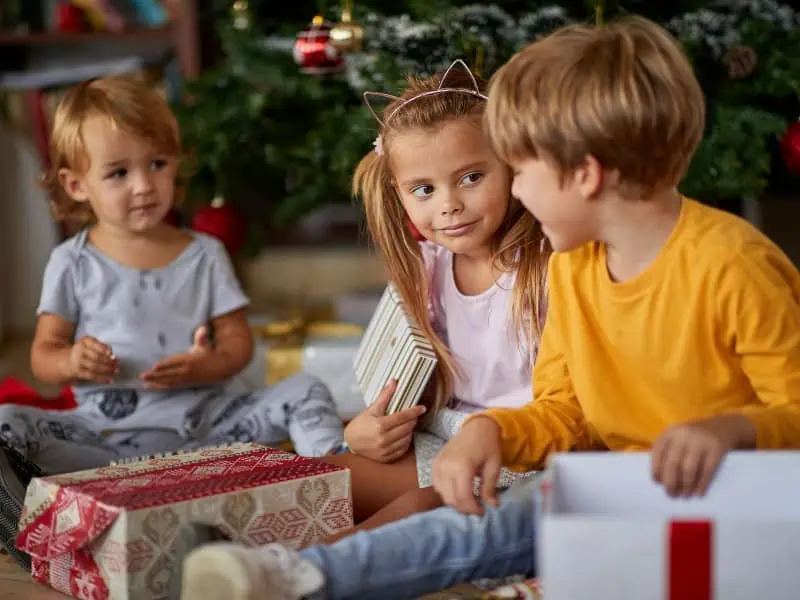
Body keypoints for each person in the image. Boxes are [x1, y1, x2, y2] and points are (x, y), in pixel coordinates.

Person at [180, 16, 800, 600]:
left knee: (472, 529)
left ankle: (303, 579)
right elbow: (563, 409)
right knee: (483, 518)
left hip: (732, 501)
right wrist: (490, 430)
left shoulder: (733, 264)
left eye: (522, 171)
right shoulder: (576, 266)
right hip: (614, 493)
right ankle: (271, 568)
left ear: (583, 175)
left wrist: (734, 429)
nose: (519, 192)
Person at [0, 75, 344, 562]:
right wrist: (73, 359)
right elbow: (43, 357)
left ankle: (333, 486)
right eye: (118, 173)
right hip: (101, 440)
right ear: (77, 185)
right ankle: (28, 519)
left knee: (306, 390)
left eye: (157, 164)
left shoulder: (205, 254)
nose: (143, 186)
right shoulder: (72, 263)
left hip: (204, 433)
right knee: (6, 421)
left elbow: (237, 345)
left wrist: (206, 366)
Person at [321, 59, 549, 537]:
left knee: (420, 512)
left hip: (523, 455)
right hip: (440, 437)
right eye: (423, 189)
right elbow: (400, 384)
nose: (448, 204)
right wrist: (361, 430)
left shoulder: (546, 265)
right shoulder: (426, 267)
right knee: (322, 483)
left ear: (510, 165)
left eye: (470, 177)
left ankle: (297, 575)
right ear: (399, 193)